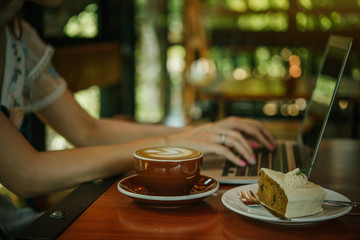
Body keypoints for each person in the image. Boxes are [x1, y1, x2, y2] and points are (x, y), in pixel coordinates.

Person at [0, 0, 276, 238]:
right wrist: (171, 143)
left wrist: (200, 132)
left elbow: (88, 130)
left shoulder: (18, 39)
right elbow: (27, 174)